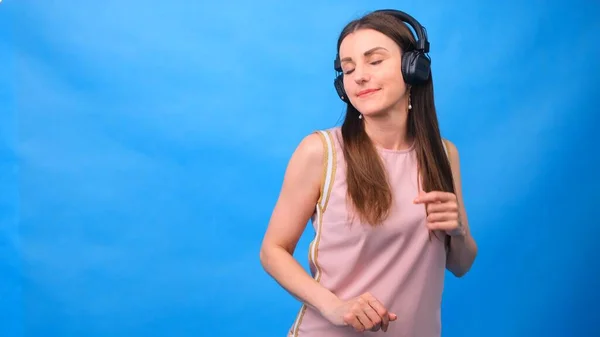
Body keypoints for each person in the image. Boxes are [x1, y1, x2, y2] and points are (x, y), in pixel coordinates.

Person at [259, 9, 478, 337]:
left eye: (374, 61)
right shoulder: (321, 151)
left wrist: (458, 231)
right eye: (349, 68)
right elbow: (272, 250)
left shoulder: (444, 155)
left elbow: (460, 265)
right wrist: (334, 306)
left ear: (413, 68)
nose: (359, 76)